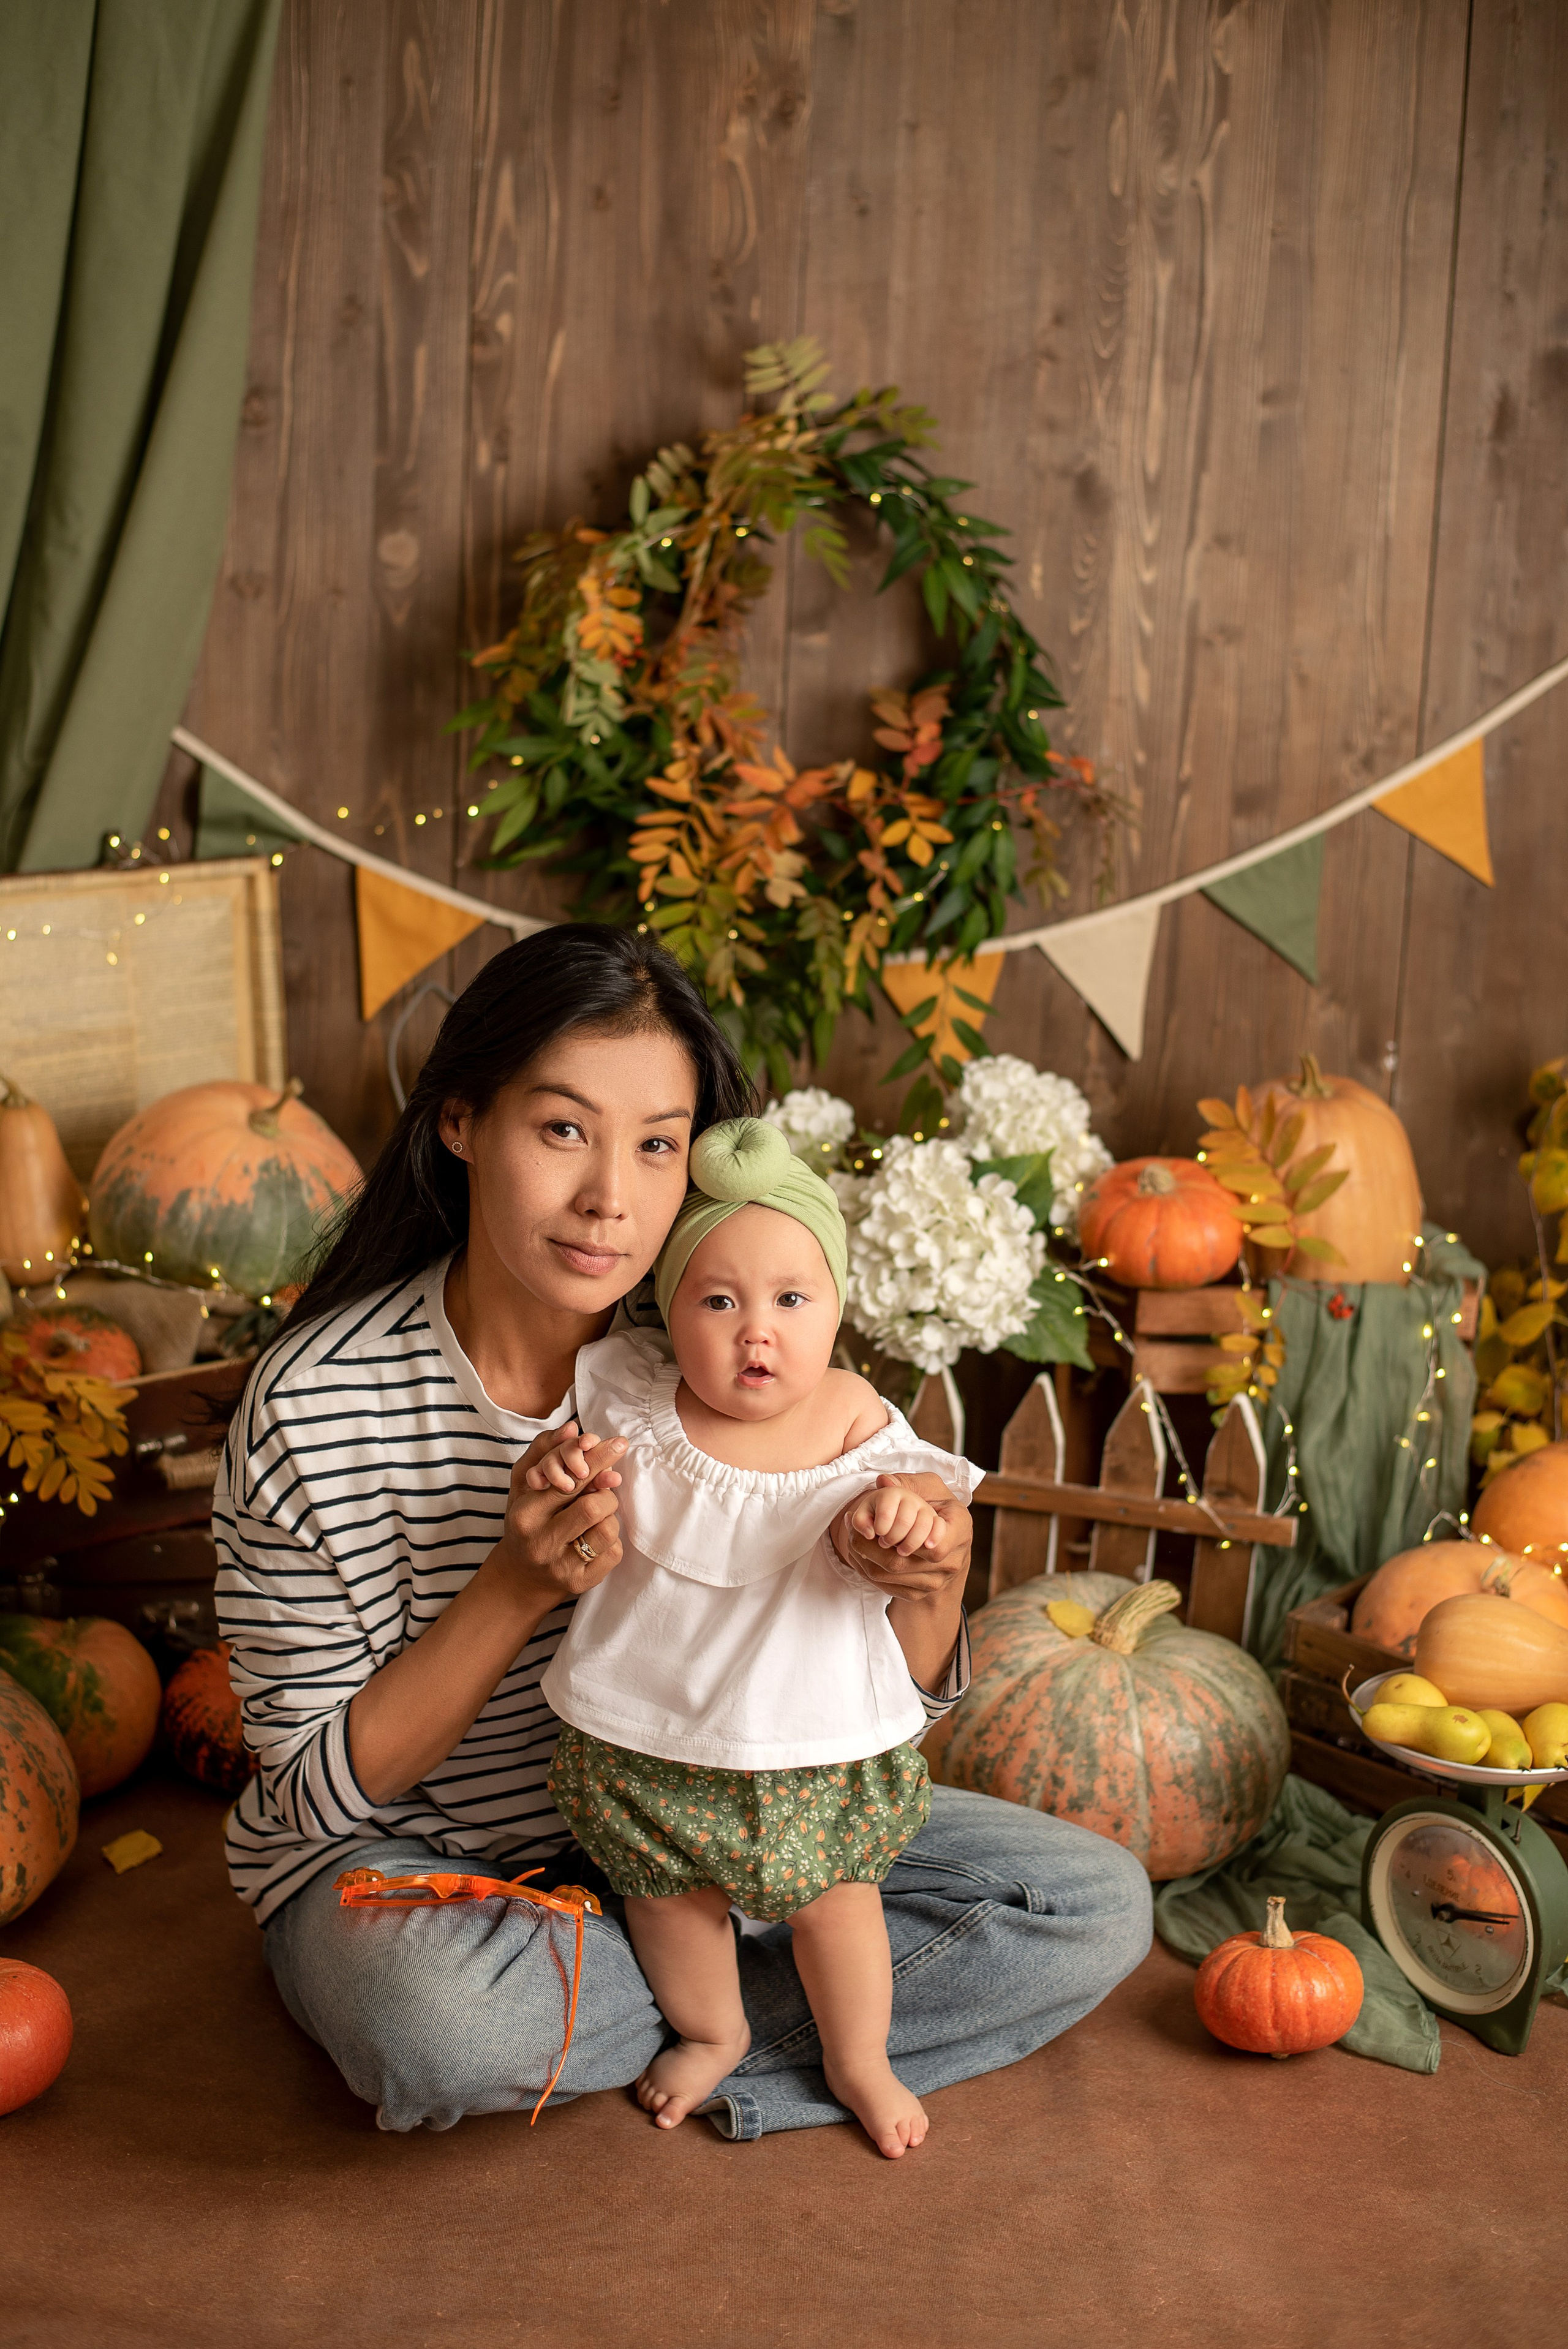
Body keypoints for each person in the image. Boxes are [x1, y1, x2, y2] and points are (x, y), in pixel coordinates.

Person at [214, 924, 1152, 2140]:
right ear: (460, 1121)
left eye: (657, 1144)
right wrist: (513, 1587)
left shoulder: (732, 1340)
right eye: (563, 1130)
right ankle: (731, 2001)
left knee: (1087, 1899)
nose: (611, 1198)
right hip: (429, 1867)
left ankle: (693, 2017)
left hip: (733, 1804)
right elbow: (309, 1797)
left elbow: (867, 1712)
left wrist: (927, 1587)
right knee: (433, 2018)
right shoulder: (314, 1404)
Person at [541, 1115, 979, 2155]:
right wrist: (561, 1470)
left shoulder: (855, 1417)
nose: (756, 1332)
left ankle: (858, 2057)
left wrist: (904, 1511)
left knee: (839, 1906)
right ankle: (716, 2029)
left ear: (836, 1306)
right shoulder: (632, 1395)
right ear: (669, 1309)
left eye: (791, 1299)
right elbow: (566, 1459)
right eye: (719, 1301)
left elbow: (925, 1493)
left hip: (809, 1745)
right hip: (649, 1739)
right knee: (667, 1901)